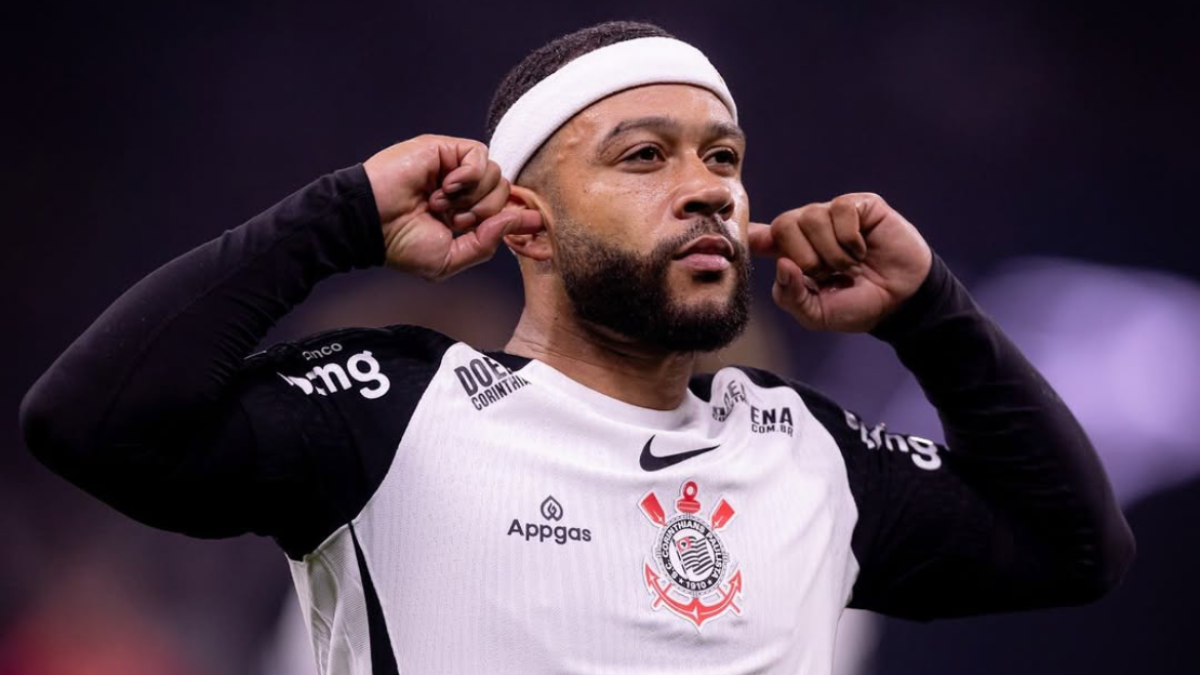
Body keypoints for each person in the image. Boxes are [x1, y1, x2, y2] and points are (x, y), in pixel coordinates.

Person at [19, 20, 1134, 675]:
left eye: (724, 157)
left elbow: (1072, 547)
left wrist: (930, 312)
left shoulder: (807, 450)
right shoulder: (394, 412)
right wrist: (336, 219)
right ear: (529, 222)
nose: (707, 188)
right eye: (645, 157)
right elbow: (91, 422)